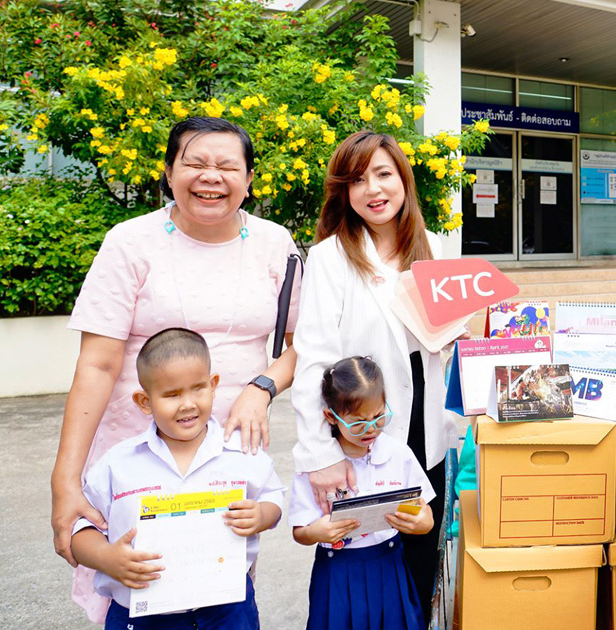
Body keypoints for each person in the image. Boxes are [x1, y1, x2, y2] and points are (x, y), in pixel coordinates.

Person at [53, 117, 301, 622]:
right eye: (195, 163)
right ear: (168, 173)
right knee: (139, 581)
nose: (211, 176)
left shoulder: (275, 244)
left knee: (217, 586)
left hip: (228, 455)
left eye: (227, 165)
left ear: (249, 179)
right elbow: (97, 365)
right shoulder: (131, 242)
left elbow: (303, 343)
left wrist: (262, 387)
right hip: (138, 454)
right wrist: (66, 481)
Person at [291, 130, 455, 626]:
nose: (373, 189)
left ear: (403, 179)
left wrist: (453, 336)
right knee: (362, 570)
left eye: (384, 174)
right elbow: (313, 359)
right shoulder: (330, 257)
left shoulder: (435, 248)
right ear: (344, 191)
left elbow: (437, 344)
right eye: (358, 180)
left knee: (419, 565)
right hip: (360, 431)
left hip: (424, 426)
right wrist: (320, 453)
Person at [71, 328, 285, 630]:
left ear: (213, 385)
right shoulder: (117, 464)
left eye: (198, 389)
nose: (187, 404)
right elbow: (81, 527)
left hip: (227, 612)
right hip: (141, 617)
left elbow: (274, 497)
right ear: (144, 401)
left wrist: (262, 515)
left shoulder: (242, 453)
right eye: (172, 394)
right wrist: (105, 557)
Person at [290, 356, 434, 630]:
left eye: (378, 417)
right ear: (331, 416)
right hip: (337, 570)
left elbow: (422, 508)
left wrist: (423, 522)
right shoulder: (316, 469)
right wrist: (317, 532)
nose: (370, 429)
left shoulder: (397, 453)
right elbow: (300, 532)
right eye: (358, 423)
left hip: (388, 565)